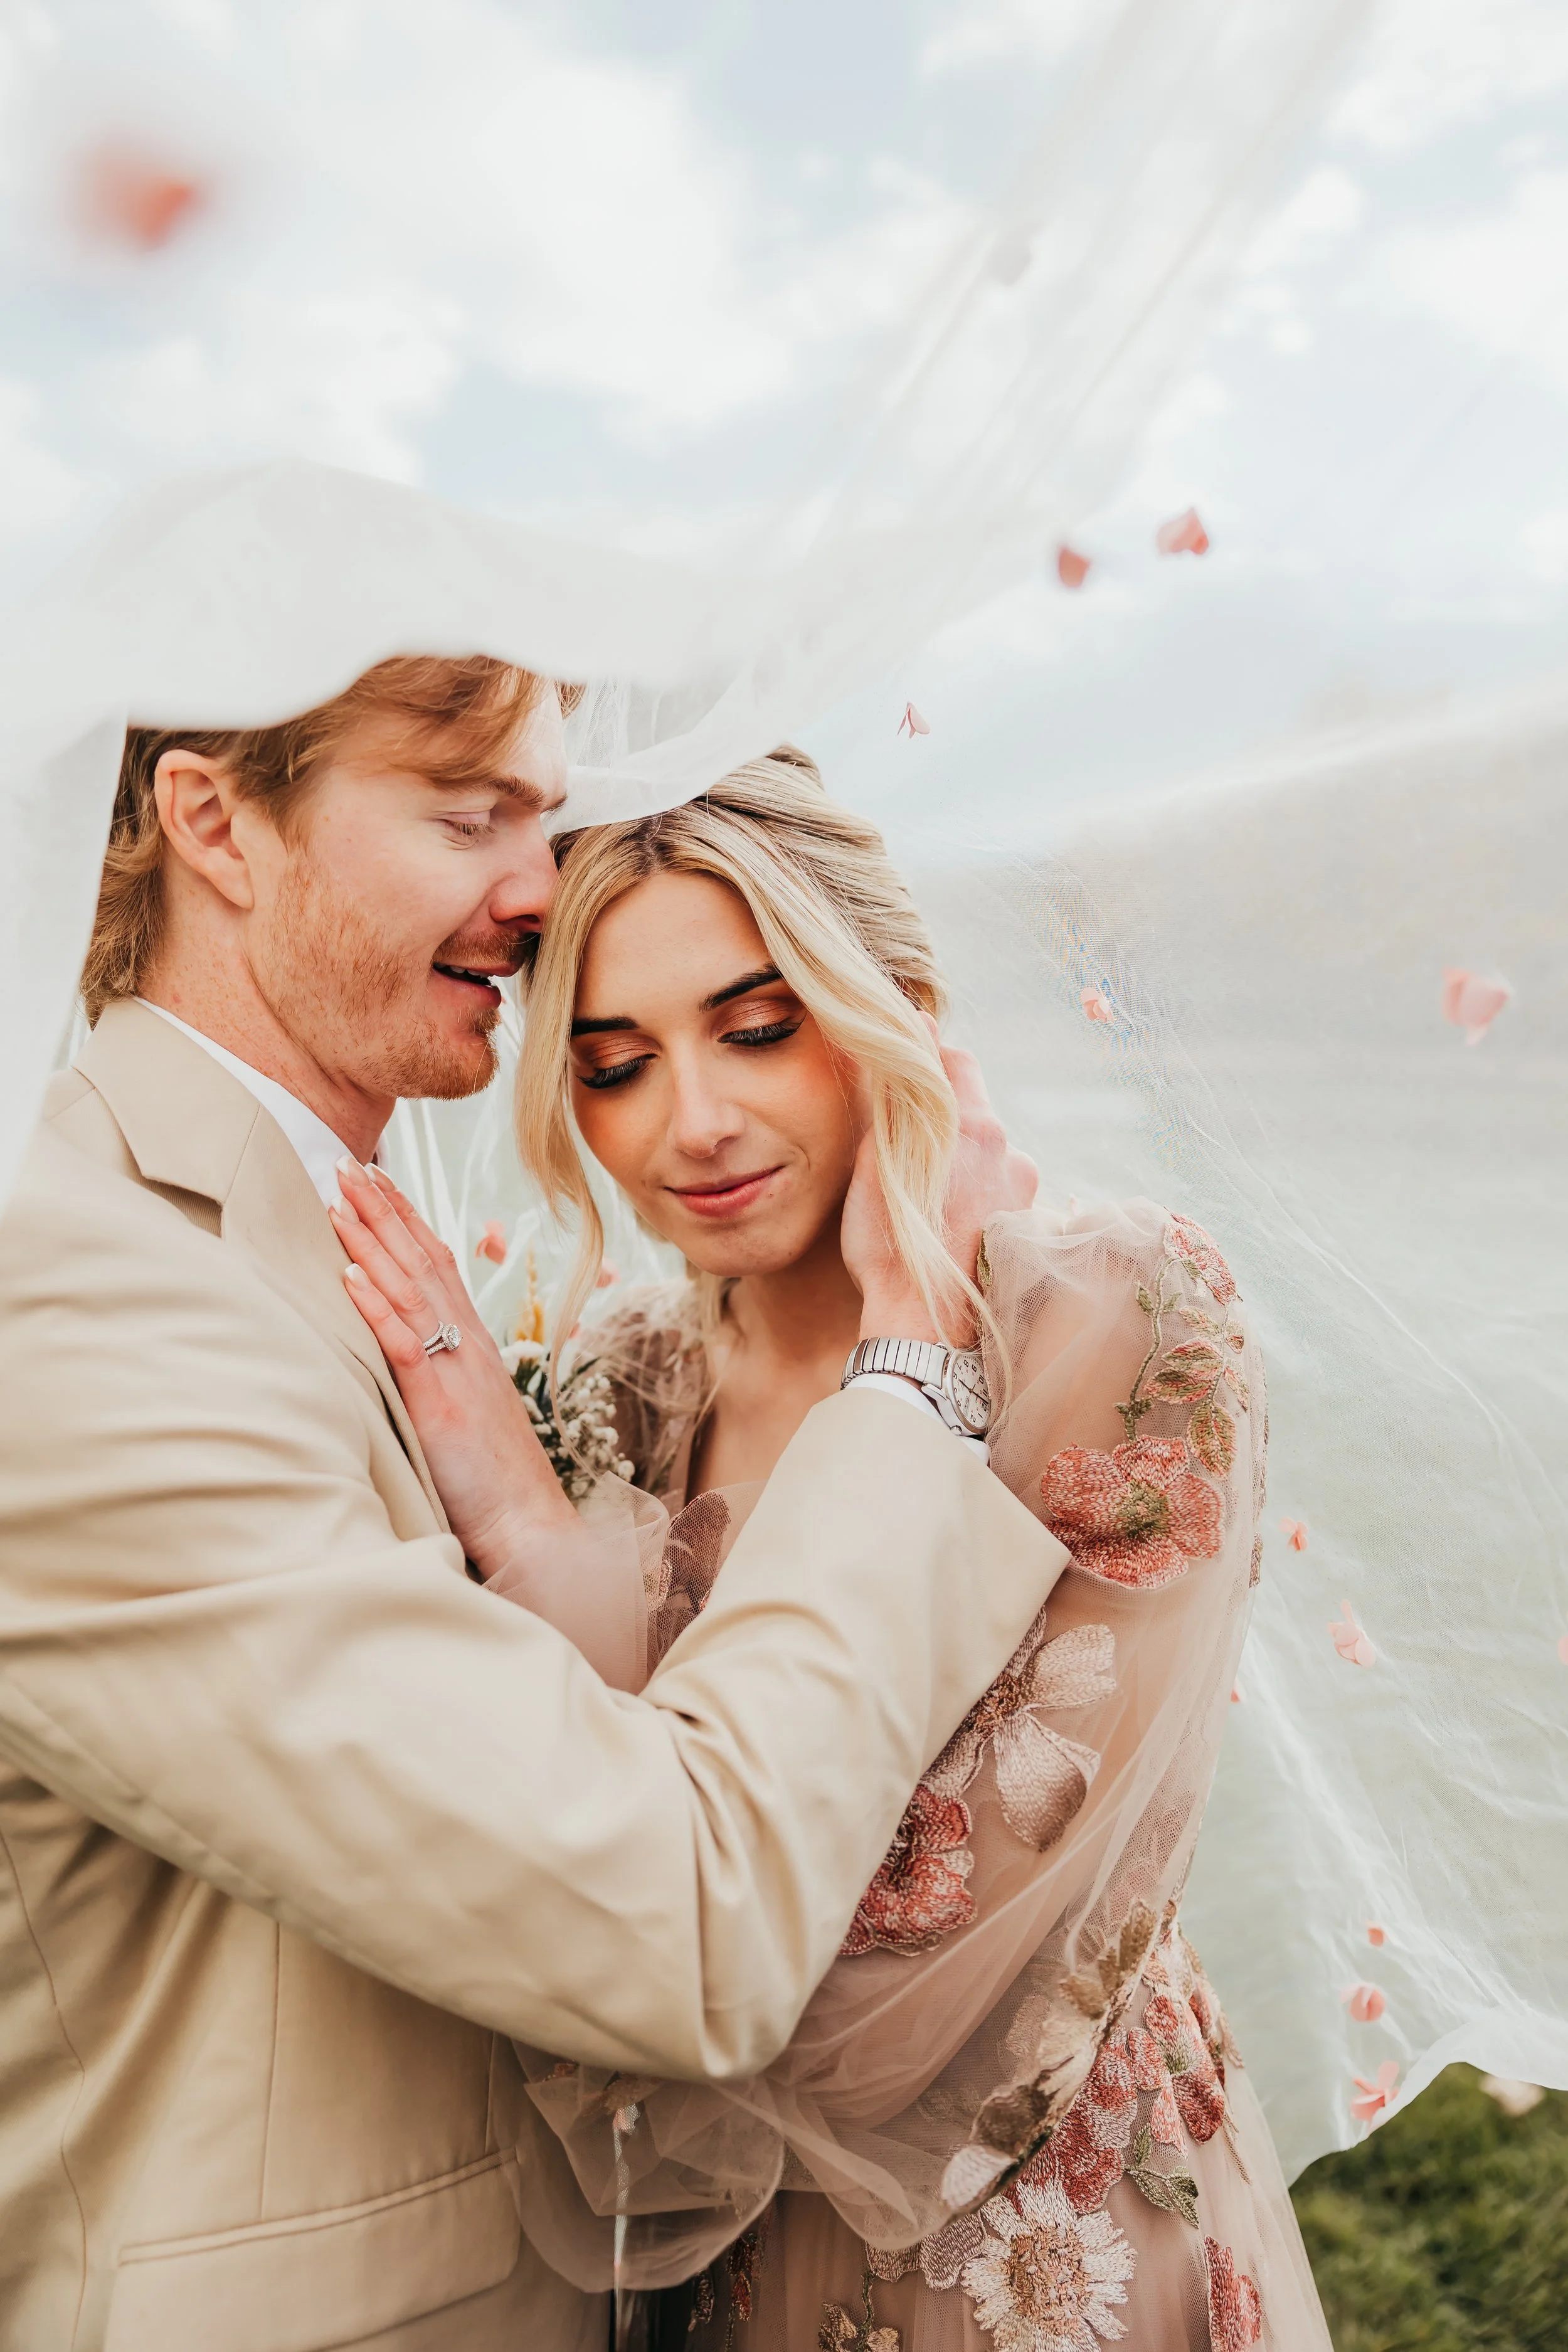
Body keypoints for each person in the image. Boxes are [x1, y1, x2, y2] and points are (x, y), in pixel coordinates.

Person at [0, 657, 1061, 2352]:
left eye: (543, 808)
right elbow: (682, 1911)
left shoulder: (316, 1219)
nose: (541, 876)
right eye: (469, 811)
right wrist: (909, 1372)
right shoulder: (69, 1303)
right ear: (214, 824)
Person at [337, 750, 1333, 2349]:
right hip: (711, 2280)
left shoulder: (1118, 1325)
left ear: (893, 1000)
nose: (694, 1124)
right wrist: (518, 1515)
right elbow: (624, 1837)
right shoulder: (627, 1382)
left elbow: (906, 1989)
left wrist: (909, 1344)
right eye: (613, 1066)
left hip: (1037, 2245)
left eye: (754, 1029)